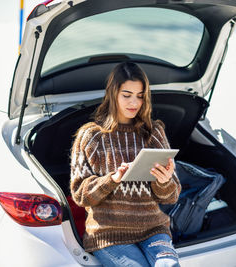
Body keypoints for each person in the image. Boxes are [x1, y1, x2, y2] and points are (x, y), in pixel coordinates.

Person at [70, 61, 181, 267]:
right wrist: (112, 179)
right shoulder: (91, 136)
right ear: (113, 94)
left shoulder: (154, 133)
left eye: (140, 96)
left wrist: (164, 182)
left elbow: (172, 196)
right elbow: (80, 195)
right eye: (127, 95)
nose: (134, 103)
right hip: (108, 235)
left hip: (153, 229)